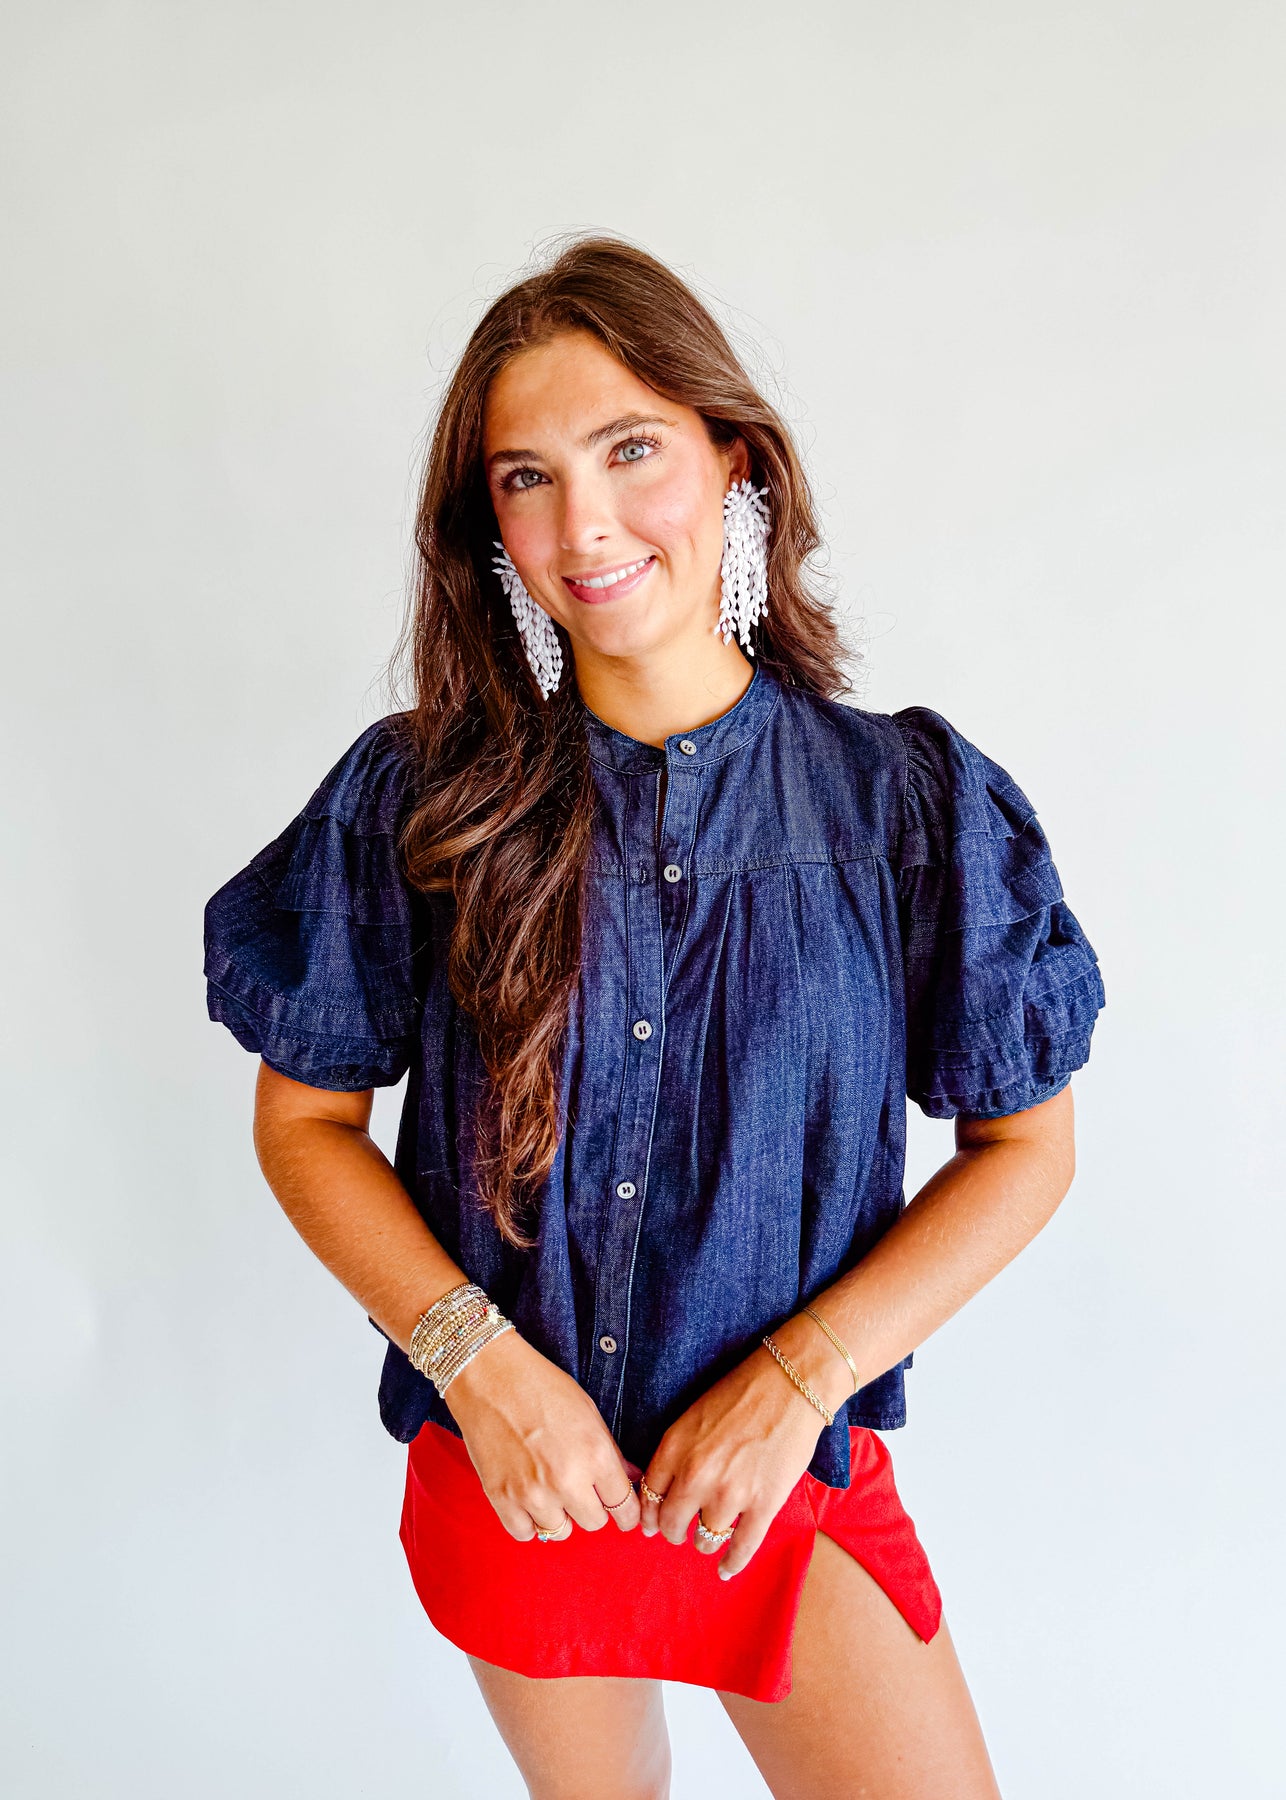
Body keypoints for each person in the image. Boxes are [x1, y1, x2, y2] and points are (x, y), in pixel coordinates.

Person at [204, 234, 1105, 1799]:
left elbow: (1024, 1149)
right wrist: (482, 1371)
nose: (584, 523)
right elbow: (305, 1126)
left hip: (785, 1480)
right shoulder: (421, 800)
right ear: (488, 524)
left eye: (630, 450)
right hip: (520, 1471)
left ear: (732, 461)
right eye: (527, 478)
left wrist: (795, 1386)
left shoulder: (903, 805)